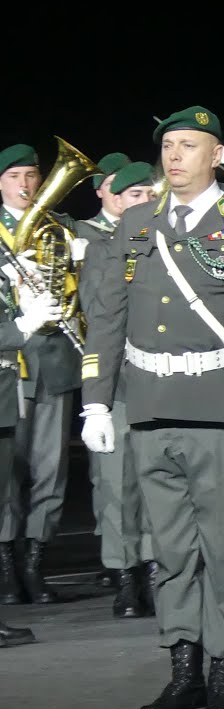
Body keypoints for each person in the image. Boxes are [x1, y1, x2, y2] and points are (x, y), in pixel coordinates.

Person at [79, 105, 224, 709]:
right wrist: (96, 401)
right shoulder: (135, 224)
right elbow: (107, 319)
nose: (174, 156)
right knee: (171, 551)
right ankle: (185, 671)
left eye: (188, 145)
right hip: (150, 409)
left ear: (216, 155)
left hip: (223, 412)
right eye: (168, 146)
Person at [77, 161, 162, 618]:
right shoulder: (104, 251)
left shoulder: (169, 245)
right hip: (121, 383)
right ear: (118, 203)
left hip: (162, 382)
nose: (145, 203)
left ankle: (154, 569)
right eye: (134, 197)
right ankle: (125, 576)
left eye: (150, 195)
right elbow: (98, 313)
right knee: (117, 486)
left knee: (156, 484)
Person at [0, 142, 83, 604]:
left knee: (50, 471)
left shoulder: (59, 228)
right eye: (16, 177)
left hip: (52, 361)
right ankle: (7, 565)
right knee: (7, 473)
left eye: (33, 175)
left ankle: (36, 561)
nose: (27, 185)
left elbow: (76, 287)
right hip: (9, 366)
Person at [74, 150, 131, 589]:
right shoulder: (90, 239)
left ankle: (145, 565)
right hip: (110, 366)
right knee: (112, 477)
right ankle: (121, 565)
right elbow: (97, 311)